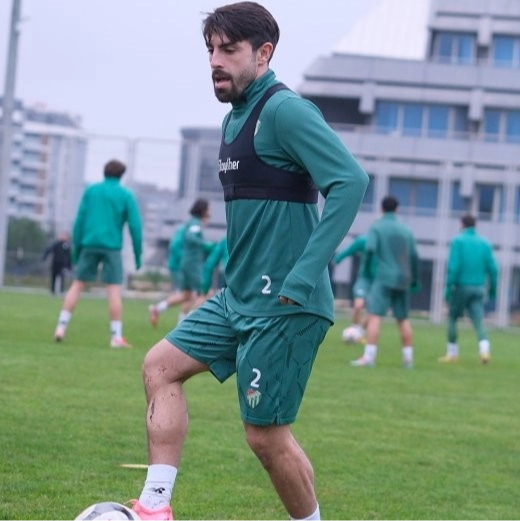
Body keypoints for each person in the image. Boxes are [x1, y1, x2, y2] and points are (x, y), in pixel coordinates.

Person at [130, 4, 368, 520]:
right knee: (159, 367)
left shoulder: (285, 111)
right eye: (210, 50)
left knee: (265, 437)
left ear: (264, 54)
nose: (215, 61)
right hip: (237, 298)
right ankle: (154, 506)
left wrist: (304, 275)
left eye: (229, 50)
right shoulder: (232, 119)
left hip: (285, 305)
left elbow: (350, 182)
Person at [52, 159, 143, 348]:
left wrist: (76, 249)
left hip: (89, 244)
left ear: (104, 172)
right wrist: (138, 254)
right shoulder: (126, 194)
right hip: (112, 246)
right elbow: (135, 226)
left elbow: (79, 221)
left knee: (77, 285)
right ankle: (116, 337)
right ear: (121, 175)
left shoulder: (91, 191)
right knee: (114, 290)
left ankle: (61, 327)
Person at [351, 196, 419, 368]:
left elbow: (370, 249)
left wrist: (366, 270)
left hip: (384, 277)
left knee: (374, 316)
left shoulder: (377, 227)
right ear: (397, 209)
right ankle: (408, 359)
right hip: (403, 278)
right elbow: (414, 256)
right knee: (403, 318)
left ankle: (369, 357)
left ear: (381, 209)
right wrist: (414, 279)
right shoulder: (406, 229)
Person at [440, 214, 498, 364]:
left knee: (452, 318)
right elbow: (493, 269)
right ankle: (484, 351)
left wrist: (448, 288)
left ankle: (452, 353)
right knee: (478, 321)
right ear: (475, 225)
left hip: (461, 286)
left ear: (462, 224)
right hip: (479, 287)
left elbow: (454, 267)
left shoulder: (458, 241)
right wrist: (493, 290)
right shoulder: (485, 243)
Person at [148, 199, 213, 327]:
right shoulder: (195, 224)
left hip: (184, 263)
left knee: (187, 294)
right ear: (203, 210)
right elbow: (190, 237)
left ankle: (160, 310)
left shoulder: (190, 223)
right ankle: (188, 322)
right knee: (206, 292)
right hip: (191, 264)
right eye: (209, 209)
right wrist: (206, 245)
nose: (210, 212)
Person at [333, 234, 369, 341]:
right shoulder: (364, 241)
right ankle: (354, 330)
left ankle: (359, 333)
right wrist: (337, 259)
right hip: (364, 279)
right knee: (358, 305)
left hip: (379, 281)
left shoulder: (386, 243)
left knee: (372, 311)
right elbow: (349, 250)